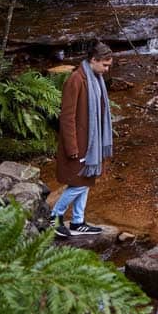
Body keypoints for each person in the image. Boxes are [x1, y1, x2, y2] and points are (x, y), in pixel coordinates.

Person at [50, 41, 114, 239]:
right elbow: (67, 117)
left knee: (86, 181)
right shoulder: (76, 80)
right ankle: (54, 216)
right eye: (104, 65)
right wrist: (71, 147)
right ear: (93, 60)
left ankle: (78, 221)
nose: (106, 69)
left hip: (90, 144)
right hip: (78, 145)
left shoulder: (95, 78)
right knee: (78, 183)